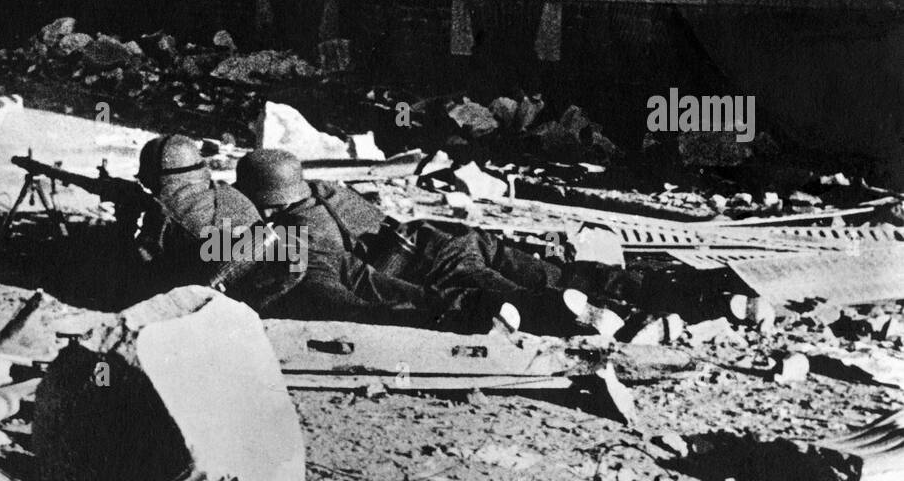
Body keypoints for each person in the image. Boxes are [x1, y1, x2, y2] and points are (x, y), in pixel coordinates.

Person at [234, 149, 718, 337]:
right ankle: (688, 294)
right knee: (566, 272)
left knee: (508, 298)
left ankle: (611, 320)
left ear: (266, 203)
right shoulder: (329, 191)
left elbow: (365, 283)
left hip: (426, 262)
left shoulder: (298, 234)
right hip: (445, 235)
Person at [131, 134, 266, 295]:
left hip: (212, 297)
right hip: (254, 280)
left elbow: (140, 274)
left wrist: (124, 221)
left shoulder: (163, 213)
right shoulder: (229, 192)